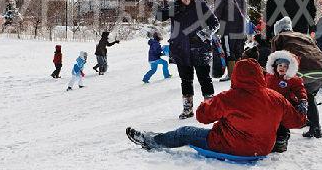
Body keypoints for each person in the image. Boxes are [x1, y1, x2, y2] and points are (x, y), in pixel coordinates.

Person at [126, 58, 307, 156]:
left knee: (185, 132)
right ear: (260, 76)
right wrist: (301, 106)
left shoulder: (229, 97)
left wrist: (209, 102)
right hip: (263, 148)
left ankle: (151, 141)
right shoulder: (275, 97)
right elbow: (297, 121)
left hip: (231, 146)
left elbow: (202, 117)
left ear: (236, 76)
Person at [157, 0, 219, 119]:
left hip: (200, 49)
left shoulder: (200, 5)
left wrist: (203, 35)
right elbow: (159, 16)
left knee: (205, 79)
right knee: (186, 80)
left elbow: (215, 23)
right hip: (181, 50)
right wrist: (170, 7)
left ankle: (209, 109)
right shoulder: (174, 7)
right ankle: (187, 109)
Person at [272, 16, 322, 138]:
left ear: (278, 30)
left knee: (283, 91)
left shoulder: (279, 37)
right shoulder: (305, 36)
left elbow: (275, 60)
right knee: (308, 95)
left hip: (302, 69)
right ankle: (315, 127)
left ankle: (284, 130)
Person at [265, 51, 308, 152]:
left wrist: (302, 100)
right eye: (280, 65)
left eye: (285, 66)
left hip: (285, 106)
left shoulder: (293, 80)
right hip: (270, 105)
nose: (282, 68)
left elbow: (300, 90)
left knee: (282, 124)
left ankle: (282, 140)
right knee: (270, 124)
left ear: (290, 68)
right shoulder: (269, 76)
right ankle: (270, 140)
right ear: (275, 66)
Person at [214, 0, 248, 82]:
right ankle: (240, 74)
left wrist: (214, 26)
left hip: (228, 29)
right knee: (239, 51)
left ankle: (232, 75)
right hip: (241, 29)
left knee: (229, 52)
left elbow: (217, 14)